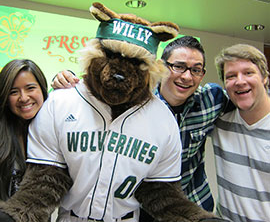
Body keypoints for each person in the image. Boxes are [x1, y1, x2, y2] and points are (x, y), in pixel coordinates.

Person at [51, 36, 230, 213]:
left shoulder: (212, 99)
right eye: (178, 67)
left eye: (196, 70)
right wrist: (64, 79)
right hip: (145, 206)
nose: (187, 76)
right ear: (161, 66)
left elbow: (246, 99)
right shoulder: (134, 100)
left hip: (194, 202)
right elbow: (92, 94)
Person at [211, 44, 270, 221]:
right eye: (231, 76)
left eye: (248, 73)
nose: (240, 81)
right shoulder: (219, 123)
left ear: (265, 77)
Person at [0, 59, 48, 201]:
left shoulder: (54, 130)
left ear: (42, 89)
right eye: (14, 92)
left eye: (30, 88)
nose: (24, 98)